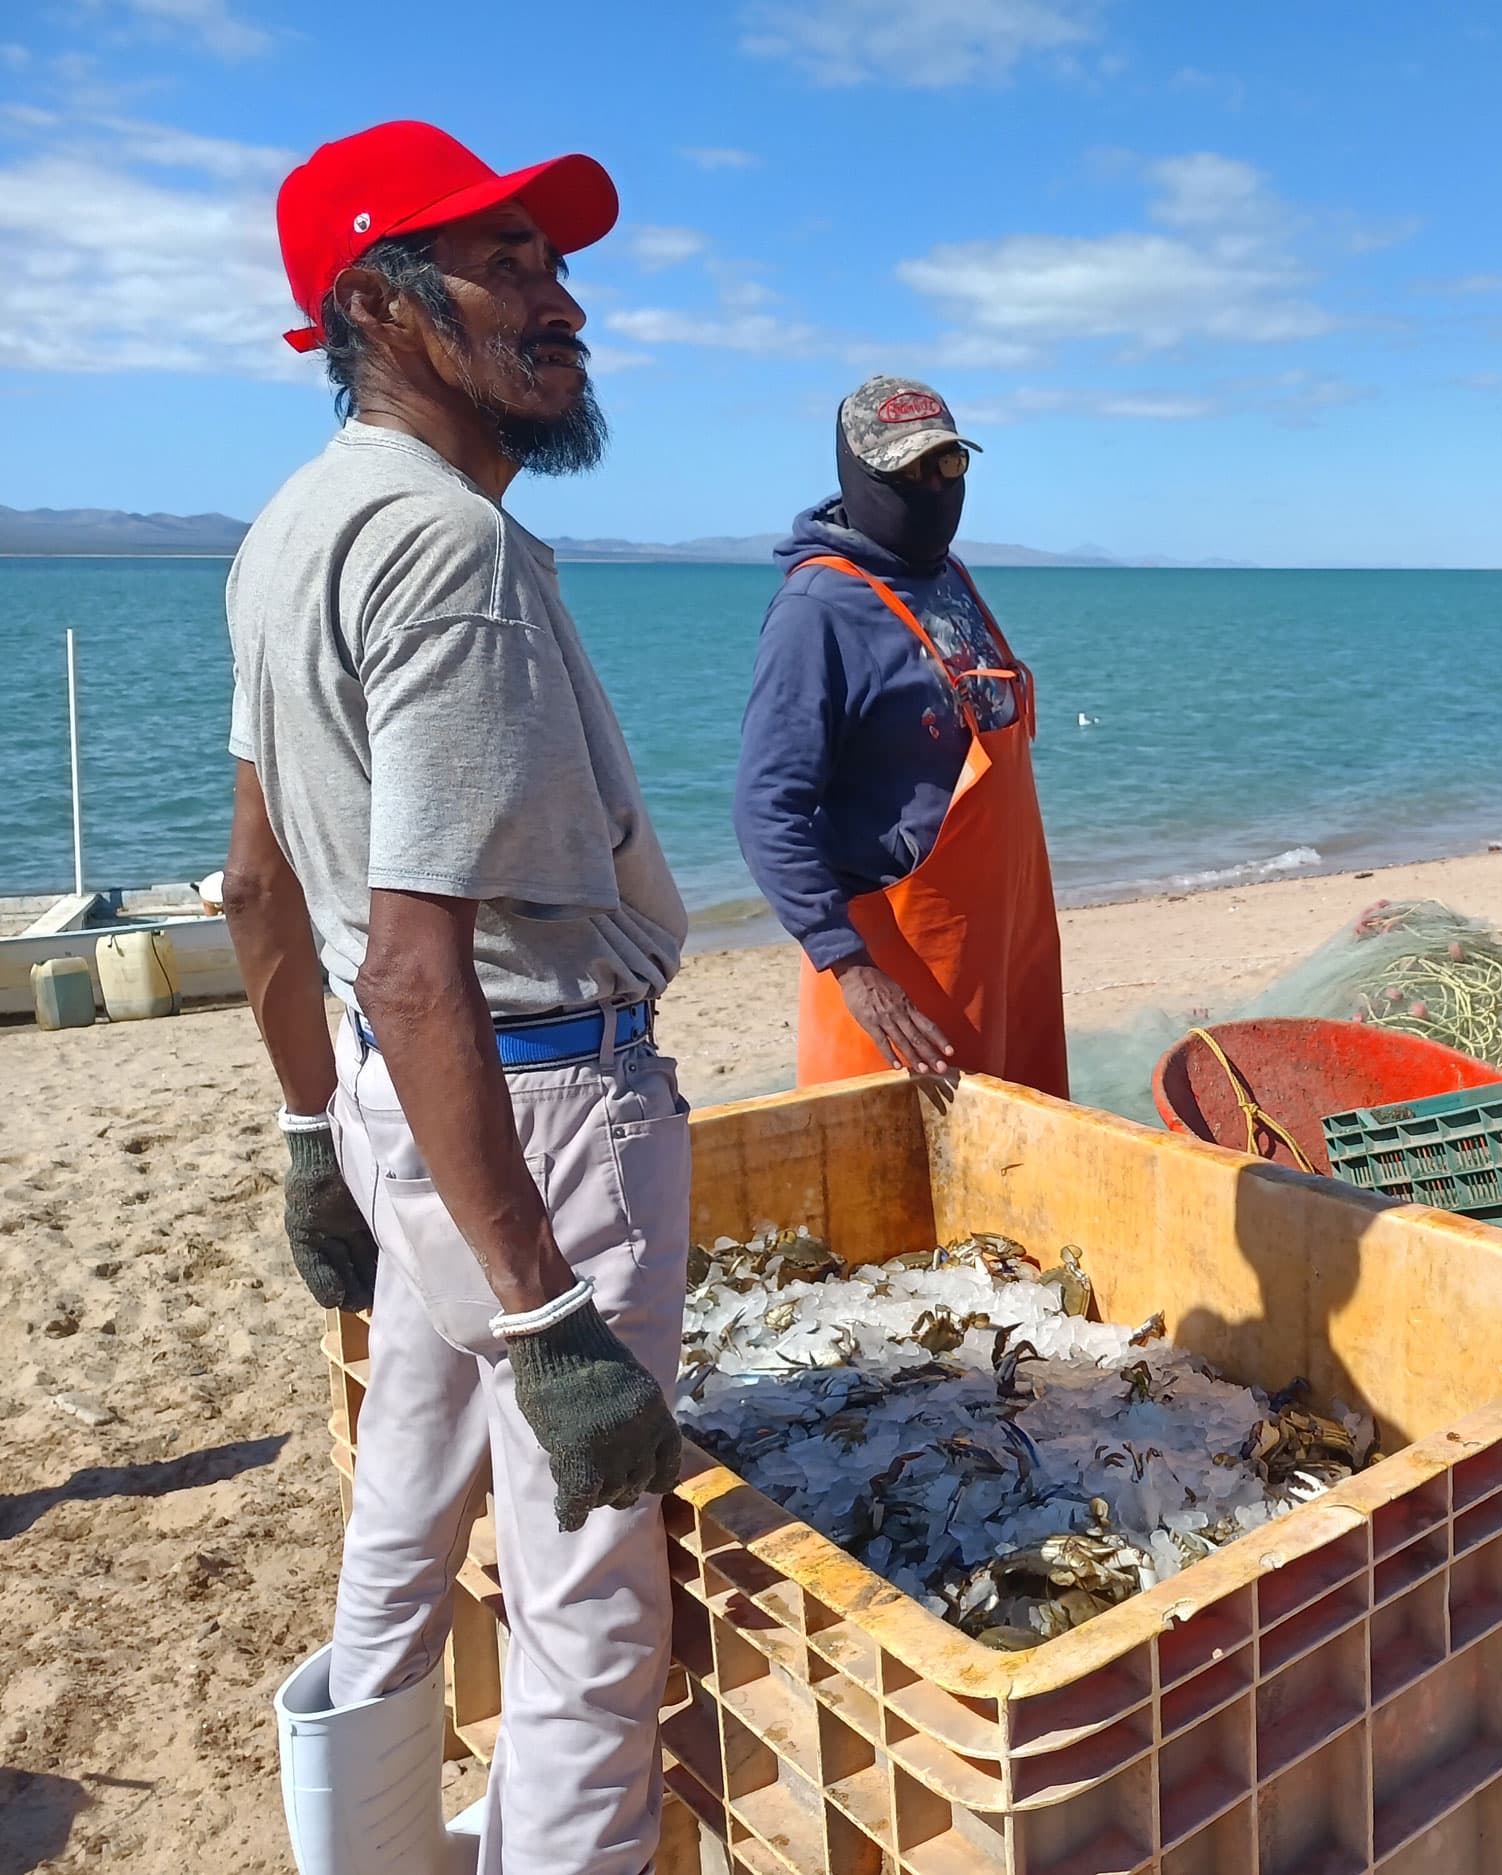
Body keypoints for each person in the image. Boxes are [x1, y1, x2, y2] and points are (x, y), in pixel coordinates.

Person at [222, 120, 689, 1875]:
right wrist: (548, 1317)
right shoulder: (451, 554)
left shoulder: (287, 533)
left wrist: (307, 1137)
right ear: (385, 307)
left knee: (405, 1520)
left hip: (402, 1101)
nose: (562, 300)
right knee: (586, 1623)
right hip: (533, 1113)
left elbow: (264, 888)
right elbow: (417, 953)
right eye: (508, 263)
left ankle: (368, 1853)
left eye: (551, 262)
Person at [734, 375, 1069, 1094]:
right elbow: (768, 809)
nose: (933, 484)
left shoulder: (950, 577)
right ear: (858, 478)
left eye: (947, 464)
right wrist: (850, 967)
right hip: (904, 984)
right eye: (907, 470)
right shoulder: (818, 610)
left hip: (1007, 952)